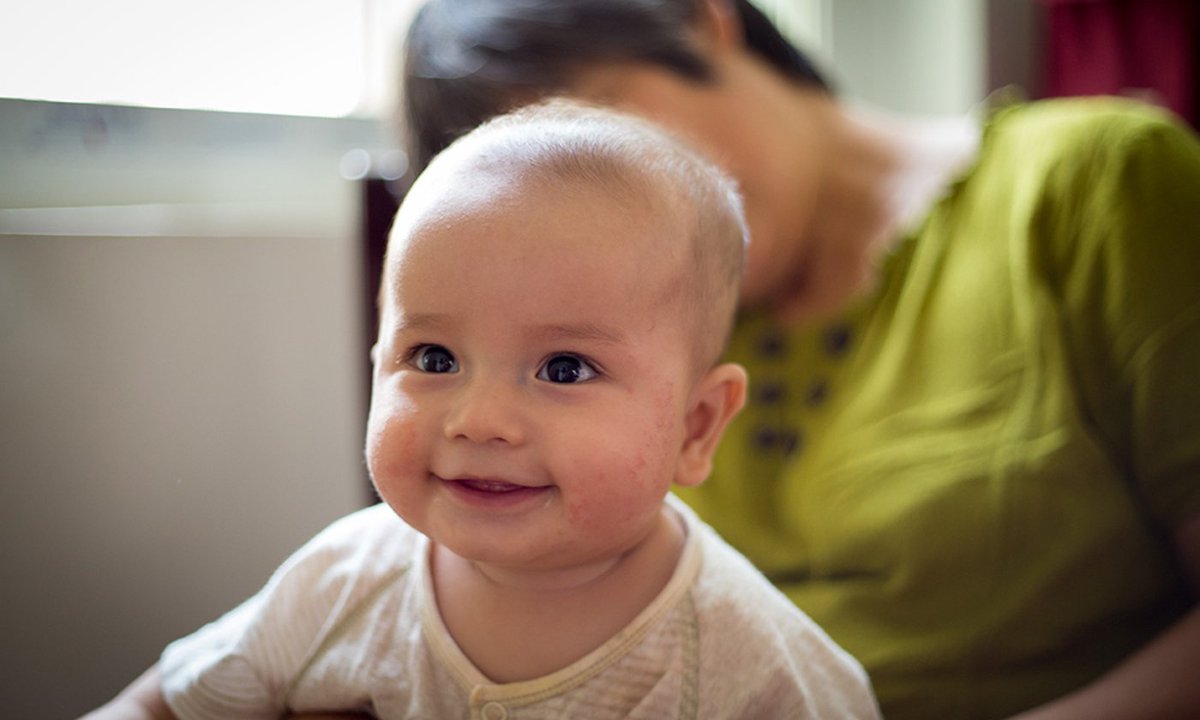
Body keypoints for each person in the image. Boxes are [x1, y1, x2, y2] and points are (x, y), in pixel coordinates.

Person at [397, 1, 1200, 719]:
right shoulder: (609, 330)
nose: (596, 222)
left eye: (608, 138)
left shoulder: (1093, 181)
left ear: (702, 23)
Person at [83, 101, 883, 719]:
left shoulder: (751, 662)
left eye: (564, 368)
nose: (479, 419)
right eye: (433, 359)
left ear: (696, 426)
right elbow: (162, 703)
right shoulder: (345, 583)